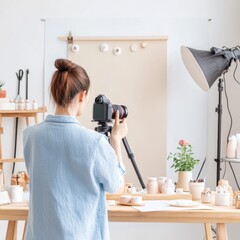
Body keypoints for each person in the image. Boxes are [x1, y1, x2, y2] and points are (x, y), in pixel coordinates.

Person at [23, 58, 128, 240]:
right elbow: (117, 187)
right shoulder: (94, 143)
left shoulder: (30, 136)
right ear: (82, 95)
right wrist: (116, 140)